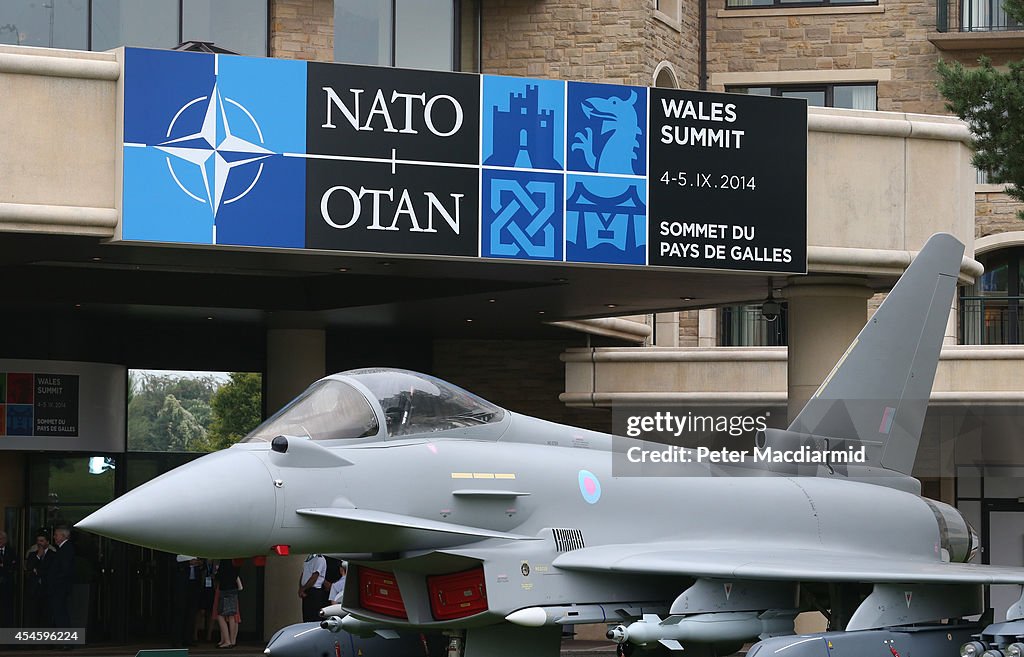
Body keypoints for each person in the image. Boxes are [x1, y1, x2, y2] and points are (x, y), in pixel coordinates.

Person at [24, 531, 54, 628]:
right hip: (34, 589)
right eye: (38, 541)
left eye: (42, 541)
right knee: (33, 614)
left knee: (46, 614)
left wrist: (38, 571)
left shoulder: (52, 554)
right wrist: (38, 556)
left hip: (47, 589)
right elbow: (29, 567)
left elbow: (50, 569)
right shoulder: (33, 554)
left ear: (47, 542)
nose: (39, 543)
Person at [48, 526, 74, 630]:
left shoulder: (66, 549)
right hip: (60, 587)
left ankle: (66, 642)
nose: (54, 537)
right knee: (60, 613)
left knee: (61, 613)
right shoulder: (63, 548)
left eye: (56, 535)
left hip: (60, 587)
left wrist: (54, 581)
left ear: (63, 536)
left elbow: (64, 569)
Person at [214, 559, 240, 649]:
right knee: (232, 615)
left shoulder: (224, 560)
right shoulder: (236, 560)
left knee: (220, 615)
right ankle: (232, 640)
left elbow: (220, 575)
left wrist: (216, 575)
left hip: (225, 589)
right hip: (233, 588)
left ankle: (227, 640)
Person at [298, 554, 327, 622]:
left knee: (314, 617)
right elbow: (304, 573)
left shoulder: (319, 559)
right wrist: (301, 588)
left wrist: (303, 588)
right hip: (306, 590)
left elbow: (314, 577)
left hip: (314, 591)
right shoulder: (308, 558)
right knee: (306, 616)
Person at [0, 530, 17, 628]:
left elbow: (13, 566)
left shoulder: (11, 551)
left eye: (1, 539)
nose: (0, 541)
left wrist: (3, 565)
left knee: (7, 609)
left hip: (7, 585)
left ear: (5, 540)